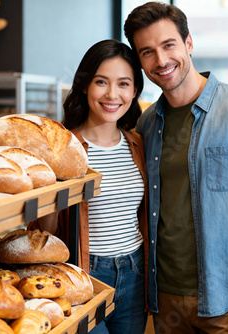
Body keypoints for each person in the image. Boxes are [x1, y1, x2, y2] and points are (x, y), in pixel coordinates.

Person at [124, 3, 228, 334]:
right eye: (147, 52)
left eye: (168, 45)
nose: (161, 61)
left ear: (188, 43)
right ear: (139, 61)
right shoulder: (146, 124)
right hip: (164, 300)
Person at [33, 39, 148, 334]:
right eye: (101, 82)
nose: (112, 94)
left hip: (135, 272)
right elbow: (42, 233)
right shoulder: (64, 149)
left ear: (134, 92)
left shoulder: (138, 145)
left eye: (124, 84)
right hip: (83, 274)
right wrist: (54, 192)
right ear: (85, 86)